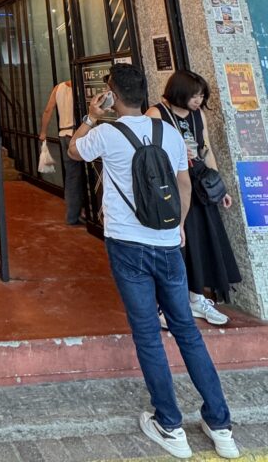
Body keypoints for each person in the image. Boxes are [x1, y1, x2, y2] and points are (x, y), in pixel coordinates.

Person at [69, 63, 239, 460]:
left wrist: (91, 116)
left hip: (127, 245)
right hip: (166, 242)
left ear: (112, 94)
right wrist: (177, 226)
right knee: (187, 331)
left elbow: (75, 150)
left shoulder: (106, 134)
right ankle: (220, 426)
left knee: (147, 333)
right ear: (145, 92)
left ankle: (170, 424)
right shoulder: (168, 133)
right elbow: (183, 183)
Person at [148, 70, 241, 325]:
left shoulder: (198, 115)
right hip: (172, 184)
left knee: (200, 241)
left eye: (201, 95)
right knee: (176, 243)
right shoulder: (156, 114)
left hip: (198, 185)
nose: (199, 100)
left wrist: (219, 188)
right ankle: (167, 303)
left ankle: (196, 298)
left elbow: (206, 149)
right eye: (194, 95)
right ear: (179, 92)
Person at [38, 79, 86, 225]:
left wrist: (43, 132)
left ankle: (72, 215)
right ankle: (82, 213)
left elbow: (48, 110)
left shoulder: (58, 88)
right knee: (82, 175)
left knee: (71, 176)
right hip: (77, 134)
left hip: (63, 135)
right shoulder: (80, 85)